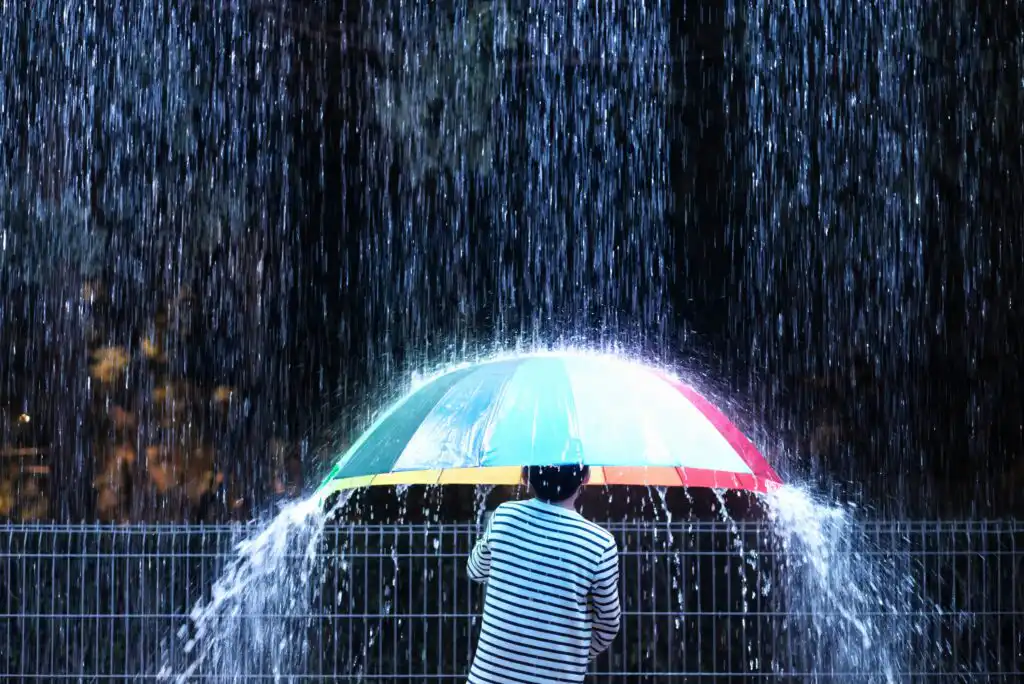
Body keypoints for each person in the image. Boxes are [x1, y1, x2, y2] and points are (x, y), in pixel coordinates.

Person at [466, 463, 621, 683]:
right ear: (586, 476)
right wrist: (570, 655)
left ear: (527, 474)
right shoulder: (599, 543)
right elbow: (609, 624)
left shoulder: (504, 516)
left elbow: (475, 570)